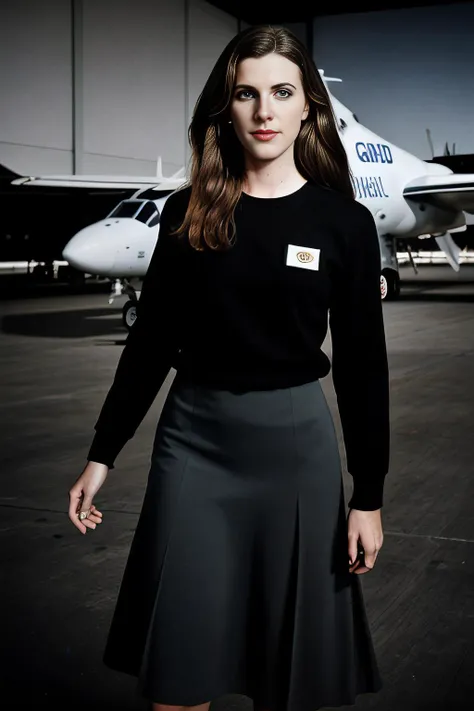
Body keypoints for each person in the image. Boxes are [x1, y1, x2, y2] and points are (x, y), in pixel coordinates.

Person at [68, 24, 389, 711]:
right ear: (227, 105)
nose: (264, 111)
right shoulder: (190, 211)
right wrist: (103, 452)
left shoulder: (345, 225)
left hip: (295, 448)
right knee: (178, 683)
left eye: (281, 92)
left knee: (288, 681)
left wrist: (368, 493)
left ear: (309, 107)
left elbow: (365, 365)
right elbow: (150, 342)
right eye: (247, 93)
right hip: (195, 445)